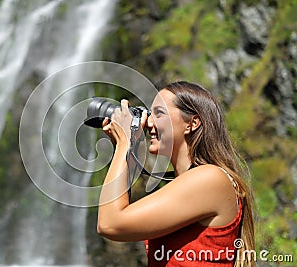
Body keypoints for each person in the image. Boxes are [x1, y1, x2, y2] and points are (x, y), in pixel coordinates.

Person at [97, 81, 255, 267]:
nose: (148, 122)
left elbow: (110, 223)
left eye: (159, 113)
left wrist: (124, 142)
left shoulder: (210, 178)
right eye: (149, 113)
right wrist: (128, 149)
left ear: (192, 123)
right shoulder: (190, 182)